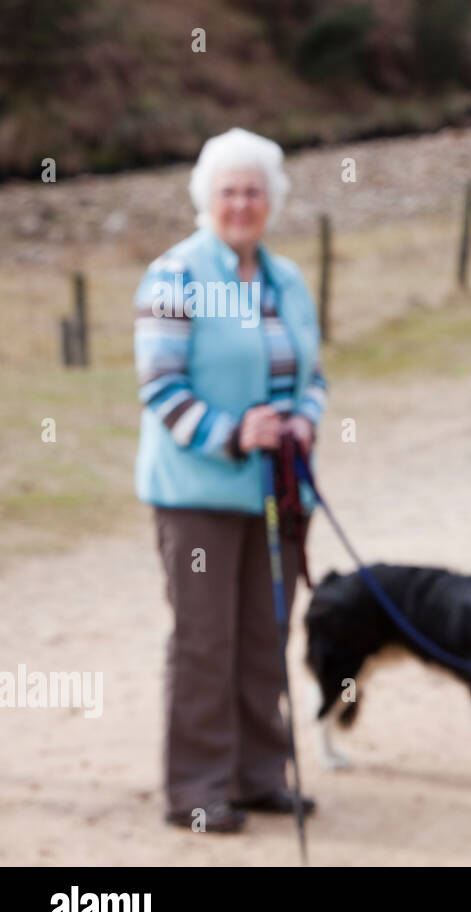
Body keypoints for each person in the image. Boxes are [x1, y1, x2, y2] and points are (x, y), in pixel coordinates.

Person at [134, 128, 327, 833]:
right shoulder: (175, 275)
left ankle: (258, 775)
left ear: (271, 200)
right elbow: (160, 386)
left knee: (265, 633)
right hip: (196, 494)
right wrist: (233, 431)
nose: (241, 204)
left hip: (274, 492)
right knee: (205, 639)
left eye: (253, 192)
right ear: (206, 200)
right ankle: (196, 789)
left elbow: (314, 374)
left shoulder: (287, 279)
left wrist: (304, 419)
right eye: (228, 192)